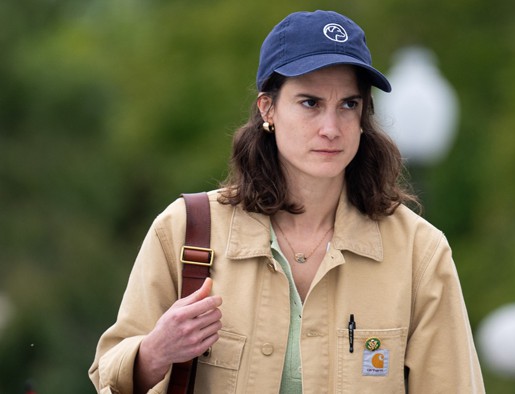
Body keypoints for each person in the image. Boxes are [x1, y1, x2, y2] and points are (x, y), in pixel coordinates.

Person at [89, 9, 484, 393]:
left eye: (349, 104)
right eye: (310, 103)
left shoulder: (420, 252)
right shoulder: (186, 231)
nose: (331, 128)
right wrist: (154, 353)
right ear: (268, 108)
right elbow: (106, 375)